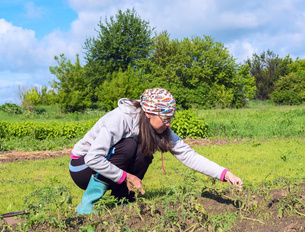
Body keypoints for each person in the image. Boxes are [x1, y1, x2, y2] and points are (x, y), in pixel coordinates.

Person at [69, 88, 243, 214]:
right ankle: (86, 207)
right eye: (166, 119)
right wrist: (127, 176)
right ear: (150, 113)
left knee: (144, 150)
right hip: (82, 167)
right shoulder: (121, 119)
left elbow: (188, 155)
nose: (169, 124)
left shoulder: (156, 128)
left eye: (171, 118)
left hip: (105, 165)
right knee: (129, 145)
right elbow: (93, 158)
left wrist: (225, 174)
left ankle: (122, 203)